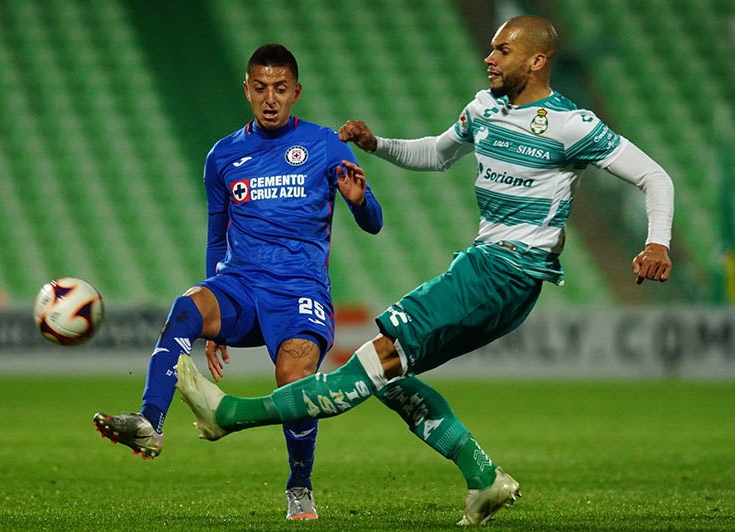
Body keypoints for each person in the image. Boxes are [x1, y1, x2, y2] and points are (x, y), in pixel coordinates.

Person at [172, 15, 674, 527]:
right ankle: (483, 477)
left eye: (502, 50)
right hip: (499, 278)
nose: (489, 58)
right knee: (390, 377)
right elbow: (437, 153)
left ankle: (228, 415)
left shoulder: (572, 125)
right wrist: (376, 145)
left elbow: (654, 177)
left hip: (502, 270)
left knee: (371, 361)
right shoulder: (485, 109)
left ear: (537, 60)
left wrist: (657, 242)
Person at [93, 43, 383, 520]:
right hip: (242, 287)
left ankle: (299, 485)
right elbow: (216, 237)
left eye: (281, 89)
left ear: (297, 92)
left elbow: (374, 224)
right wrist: (215, 299)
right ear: (247, 89)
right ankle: (150, 420)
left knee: (293, 381)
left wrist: (359, 200)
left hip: (300, 292)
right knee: (186, 307)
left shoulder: (325, 144)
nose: (271, 98)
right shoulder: (223, 156)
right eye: (262, 88)